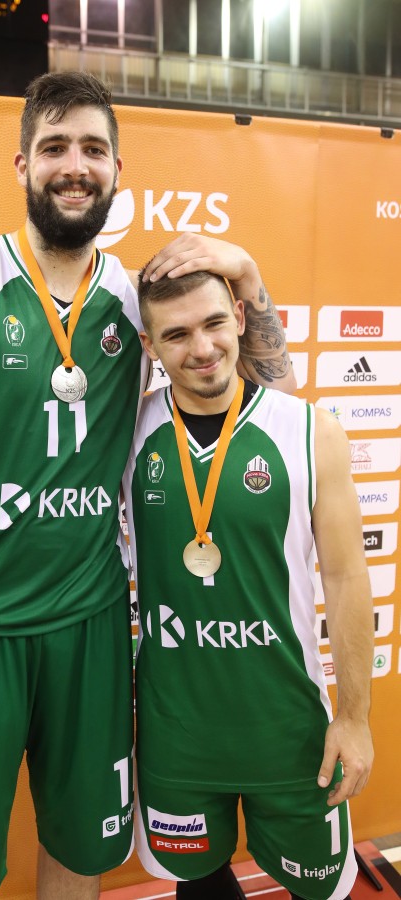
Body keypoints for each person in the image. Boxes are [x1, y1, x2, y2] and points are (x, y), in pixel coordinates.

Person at [0, 72, 295, 900]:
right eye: (55, 147)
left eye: (93, 148)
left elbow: (269, 403)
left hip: (91, 627)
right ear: (23, 163)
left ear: (118, 169)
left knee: (83, 853)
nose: (75, 165)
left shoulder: (137, 302)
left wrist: (249, 275)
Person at [123, 269, 374, 900]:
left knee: (319, 889)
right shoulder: (124, 435)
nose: (202, 348)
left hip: (289, 730)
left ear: (239, 317)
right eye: (176, 334)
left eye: (214, 323)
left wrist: (354, 718)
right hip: (175, 732)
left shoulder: (311, 430)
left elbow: (347, 579)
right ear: (149, 346)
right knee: (197, 885)